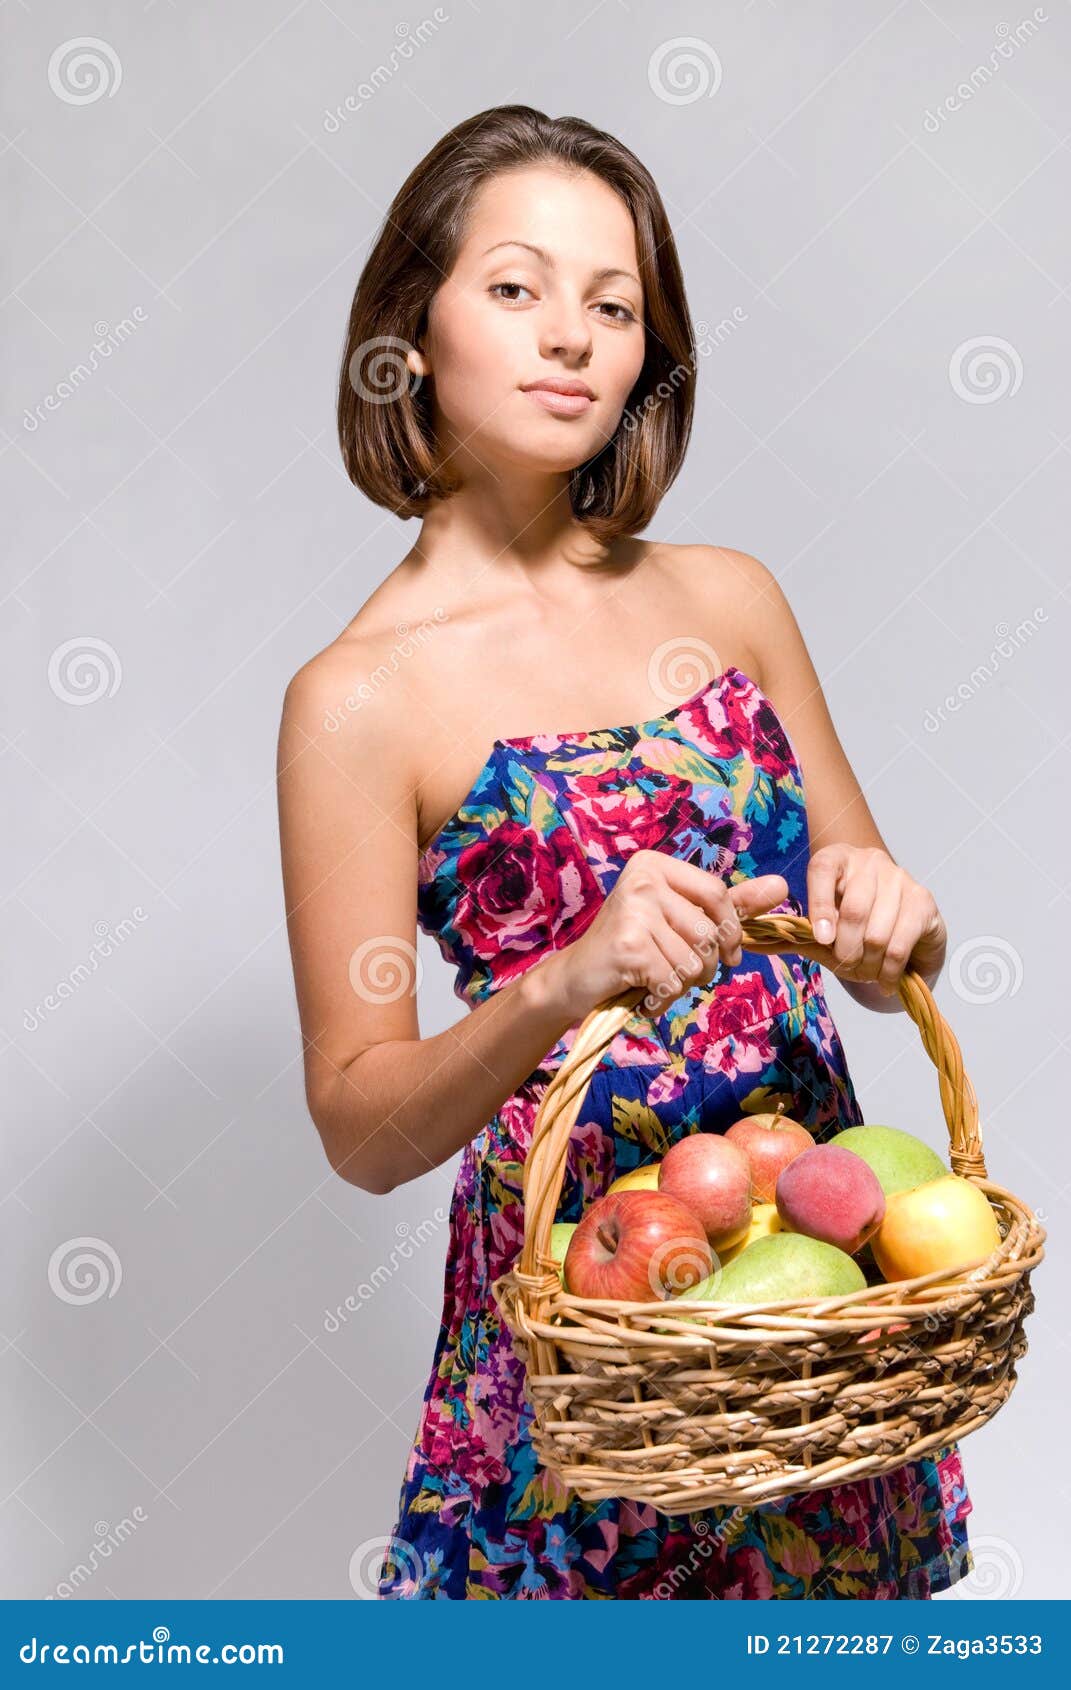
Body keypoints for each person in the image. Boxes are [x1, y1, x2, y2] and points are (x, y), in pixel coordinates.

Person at [276, 105, 973, 1599]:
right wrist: (564, 980)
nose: (571, 339)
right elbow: (360, 1126)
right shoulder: (357, 701)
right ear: (411, 331)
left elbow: (878, 950)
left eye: (614, 306)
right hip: (582, 1335)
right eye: (515, 288)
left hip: (806, 1310)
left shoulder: (730, 600)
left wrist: (894, 917)